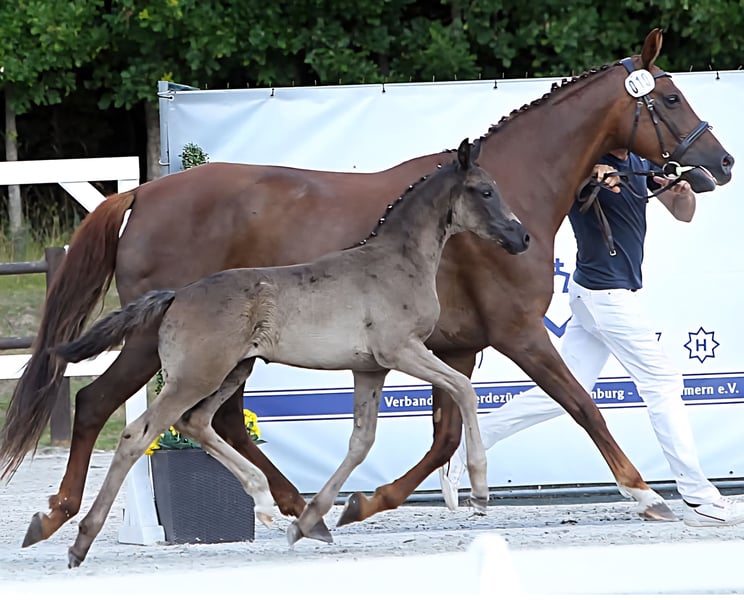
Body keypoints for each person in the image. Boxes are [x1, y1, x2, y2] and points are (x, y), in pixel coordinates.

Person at [439, 149, 744, 527]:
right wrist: (592, 173)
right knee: (662, 384)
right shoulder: (583, 164)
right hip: (607, 296)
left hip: (594, 294)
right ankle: (701, 500)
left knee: (568, 389)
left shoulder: (640, 162)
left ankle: (466, 443)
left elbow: (683, 213)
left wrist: (680, 192)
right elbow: (569, 184)